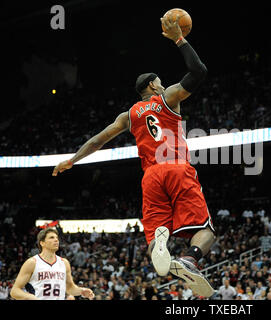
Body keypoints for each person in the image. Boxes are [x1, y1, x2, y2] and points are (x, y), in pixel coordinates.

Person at [52, 15, 215, 298]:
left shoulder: (127, 116)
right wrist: (179, 38)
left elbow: (96, 140)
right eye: (160, 82)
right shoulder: (168, 98)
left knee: (154, 236)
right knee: (206, 230)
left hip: (150, 177)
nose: (164, 85)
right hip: (176, 167)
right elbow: (199, 71)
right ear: (152, 86)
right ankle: (190, 259)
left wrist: (72, 160)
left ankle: (161, 251)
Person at [10, 228, 94, 300]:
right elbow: (14, 291)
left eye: (57, 238)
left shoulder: (64, 263)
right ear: (42, 243)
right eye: (51, 237)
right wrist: (31, 297)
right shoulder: (32, 262)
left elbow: (69, 288)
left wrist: (81, 291)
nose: (56, 240)